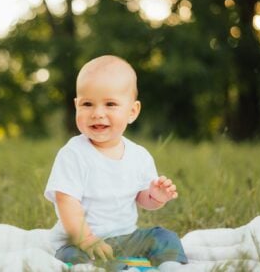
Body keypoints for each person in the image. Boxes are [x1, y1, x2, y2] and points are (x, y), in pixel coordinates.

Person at [44, 55, 188, 271]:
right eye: (87, 104)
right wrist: (87, 239)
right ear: (76, 105)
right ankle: (107, 267)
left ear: (132, 111)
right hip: (79, 241)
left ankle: (171, 266)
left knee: (163, 237)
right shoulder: (73, 154)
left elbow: (142, 198)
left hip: (126, 237)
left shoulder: (139, 156)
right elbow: (66, 202)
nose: (97, 113)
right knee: (73, 257)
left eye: (110, 104)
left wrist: (155, 197)